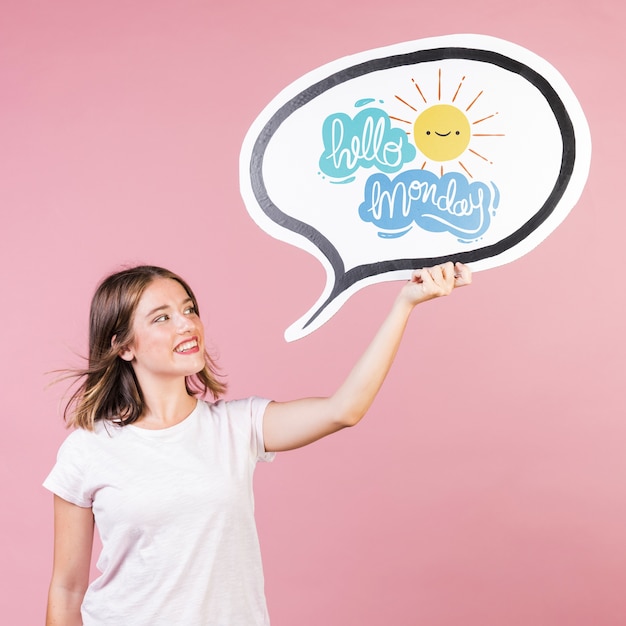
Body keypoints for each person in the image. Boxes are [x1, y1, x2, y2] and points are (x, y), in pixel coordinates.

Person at [44, 261, 471, 626]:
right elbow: (67, 588)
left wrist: (405, 304)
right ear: (123, 346)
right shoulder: (88, 450)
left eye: (189, 309)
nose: (187, 323)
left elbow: (345, 409)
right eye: (162, 317)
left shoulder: (238, 426)